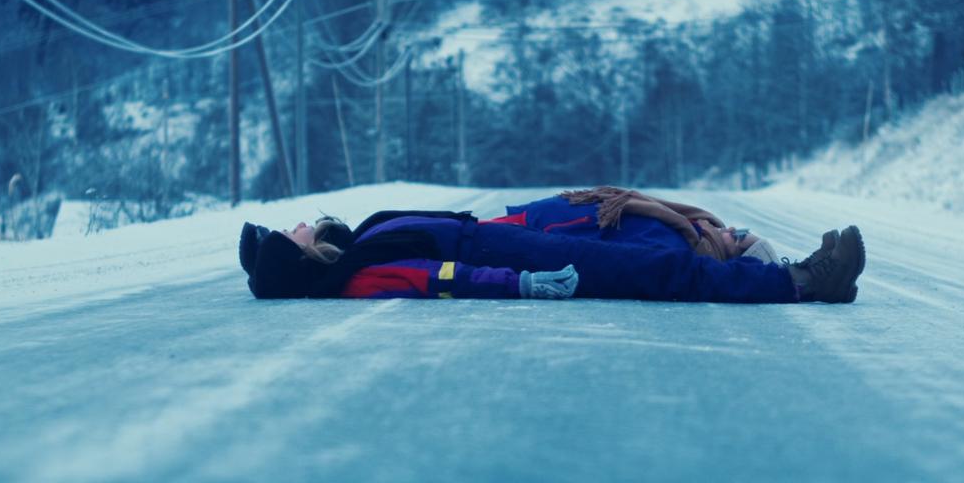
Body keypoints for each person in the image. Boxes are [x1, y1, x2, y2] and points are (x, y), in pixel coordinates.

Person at [238, 208, 865, 304]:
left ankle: (780, 269)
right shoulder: (361, 272)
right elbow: (440, 277)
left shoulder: (358, 242)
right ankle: (805, 283)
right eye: (289, 235)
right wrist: (521, 284)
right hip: (503, 256)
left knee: (644, 245)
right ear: (305, 259)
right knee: (652, 272)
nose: (298, 223)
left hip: (503, 237)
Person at [487, 187, 780, 263]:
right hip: (560, 213)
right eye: (739, 228)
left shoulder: (686, 248)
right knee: (459, 227)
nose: (730, 230)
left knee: (461, 233)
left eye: (739, 238)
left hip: (556, 227)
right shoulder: (693, 228)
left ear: (735, 257)